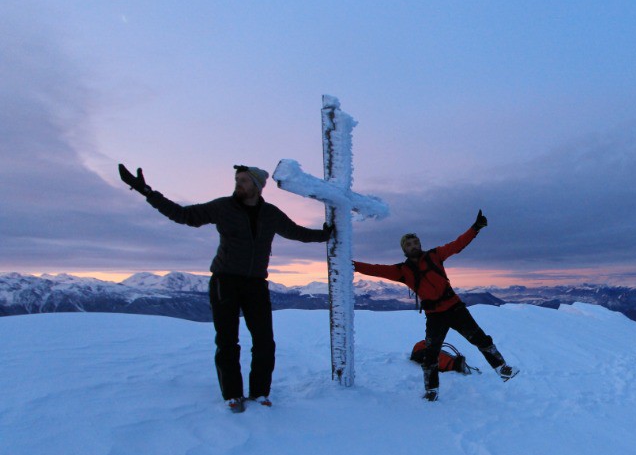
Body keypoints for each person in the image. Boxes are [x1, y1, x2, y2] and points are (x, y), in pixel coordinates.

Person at [118, 163, 332, 413]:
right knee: (228, 341)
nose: (237, 184)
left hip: (256, 284)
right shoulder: (223, 207)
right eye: (236, 179)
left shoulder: (271, 214)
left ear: (257, 185)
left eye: (243, 180)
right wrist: (147, 192)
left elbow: (297, 232)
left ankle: (260, 393)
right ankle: (232, 395)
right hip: (225, 282)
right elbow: (183, 215)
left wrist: (325, 235)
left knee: (264, 342)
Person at [353, 210, 518, 401]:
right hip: (435, 316)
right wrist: (353, 265)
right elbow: (376, 269)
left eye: (415, 242)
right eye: (408, 244)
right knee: (431, 354)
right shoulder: (402, 271)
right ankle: (432, 390)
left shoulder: (435, 255)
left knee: (481, 339)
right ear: (404, 250)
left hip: (455, 308)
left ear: (420, 244)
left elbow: (457, 245)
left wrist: (475, 228)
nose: (413, 246)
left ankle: (502, 368)